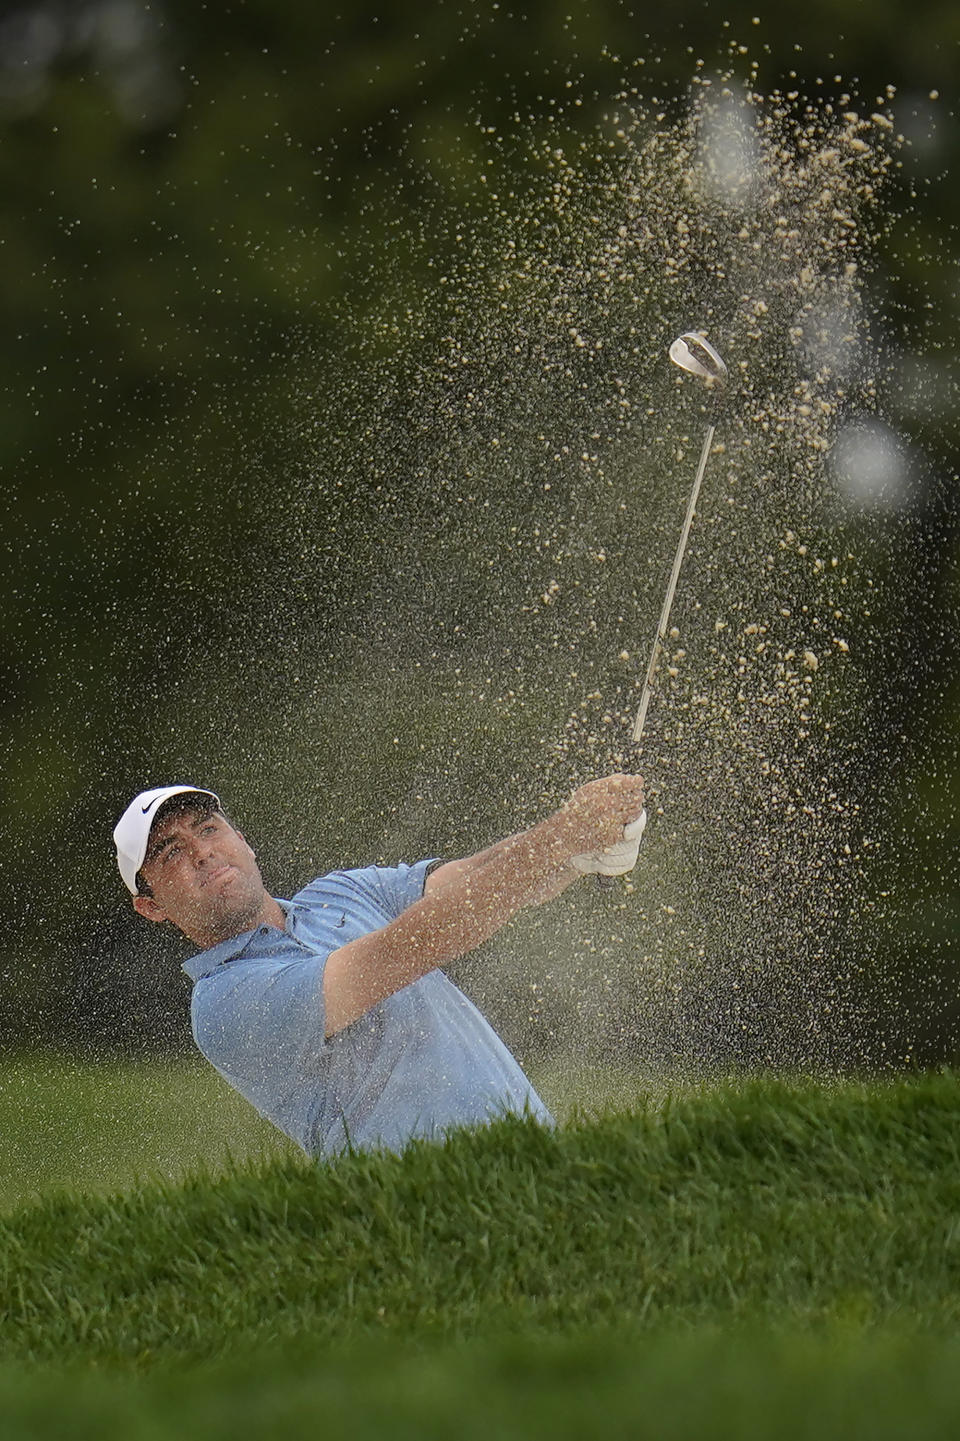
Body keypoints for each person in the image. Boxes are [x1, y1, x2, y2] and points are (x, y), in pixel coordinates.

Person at [113, 776, 646, 1160]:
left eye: (208, 829)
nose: (202, 852)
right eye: (170, 853)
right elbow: (407, 949)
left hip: (538, 1161)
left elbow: (470, 879)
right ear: (152, 905)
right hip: (422, 1210)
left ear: (243, 841)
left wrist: (575, 852)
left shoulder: (340, 892)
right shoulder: (224, 1002)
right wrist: (561, 836)